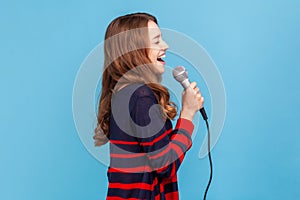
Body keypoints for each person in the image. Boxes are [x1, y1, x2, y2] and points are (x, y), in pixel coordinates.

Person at [94, 12, 204, 200]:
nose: (165, 46)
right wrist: (187, 114)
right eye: (156, 41)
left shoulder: (124, 94)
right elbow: (165, 166)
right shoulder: (140, 97)